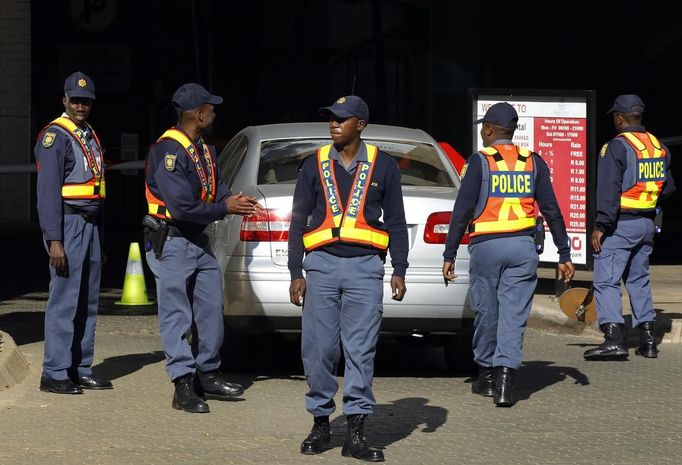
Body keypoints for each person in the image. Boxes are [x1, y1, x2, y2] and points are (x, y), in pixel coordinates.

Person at [288, 95, 408, 461]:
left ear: (361, 125)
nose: (334, 124)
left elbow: (398, 222)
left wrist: (399, 269)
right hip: (321, 266)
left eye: (342, 118)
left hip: (365, 269)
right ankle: (321, 422)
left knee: (361, 350)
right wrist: (296, 271)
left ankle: (356, 431)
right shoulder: (313, 164)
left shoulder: (384, 166)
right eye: (331, 118)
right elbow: (297, 220)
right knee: (318, 349)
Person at [442, 102, 574, 407]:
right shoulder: (533, 162)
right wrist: (564, 253)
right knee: (514, 315)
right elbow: (552, 210)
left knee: (487, 311)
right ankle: (505, 379)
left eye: (482, 128)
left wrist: (449, 253)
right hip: (523, 247)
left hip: (487, 247)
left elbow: (462, 211)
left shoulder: (479, 162)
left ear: (489, 129)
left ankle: (486, 375)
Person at [144, 83, 263, 413]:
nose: (215, 112)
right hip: (172, 241)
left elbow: (218, 188)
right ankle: (183, 384)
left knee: (210, 310)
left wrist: (232, 200)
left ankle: (208, 373)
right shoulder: (168, 152)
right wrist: (226, 209)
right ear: (198, 114)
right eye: (211, 108)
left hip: (198, 240)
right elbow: (182, 207)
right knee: (177, 315)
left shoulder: (204, 150)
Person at [35, 71, 112, 394]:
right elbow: (47, 192)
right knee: (64, 301)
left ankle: (80, 367)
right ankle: (54, 372)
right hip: (67, 224)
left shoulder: (88, 133)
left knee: (87, 301)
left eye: (86, 101)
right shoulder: (56, 136)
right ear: (64, 100)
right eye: (76, 100)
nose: (81, 105)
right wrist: (55, 240)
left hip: (90, 223)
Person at [583, 95, 675, 361]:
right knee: (638, 280)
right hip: (646, 224)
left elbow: (608, 192)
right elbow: (667, 187)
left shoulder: (616, 147)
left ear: (620, 118)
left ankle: (613, 339)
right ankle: (648, 341)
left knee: (606, 281)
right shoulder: (658, 146)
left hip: (619, 225)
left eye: (614, 116)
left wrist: (601, 225)